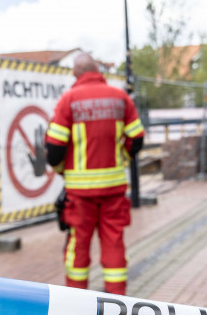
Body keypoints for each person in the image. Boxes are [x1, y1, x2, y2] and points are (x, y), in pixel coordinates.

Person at [45, 53, 144, 295]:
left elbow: (54, 149)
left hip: (79, 194)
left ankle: (77, 302)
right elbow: (137, 138)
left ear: (74, 73)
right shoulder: (121, 98)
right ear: (98, 70)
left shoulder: (68, 100)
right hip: (114, 190)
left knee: (78, 247)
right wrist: (122, 159)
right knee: (114, 244)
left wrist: (63, 171)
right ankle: (118, 303)